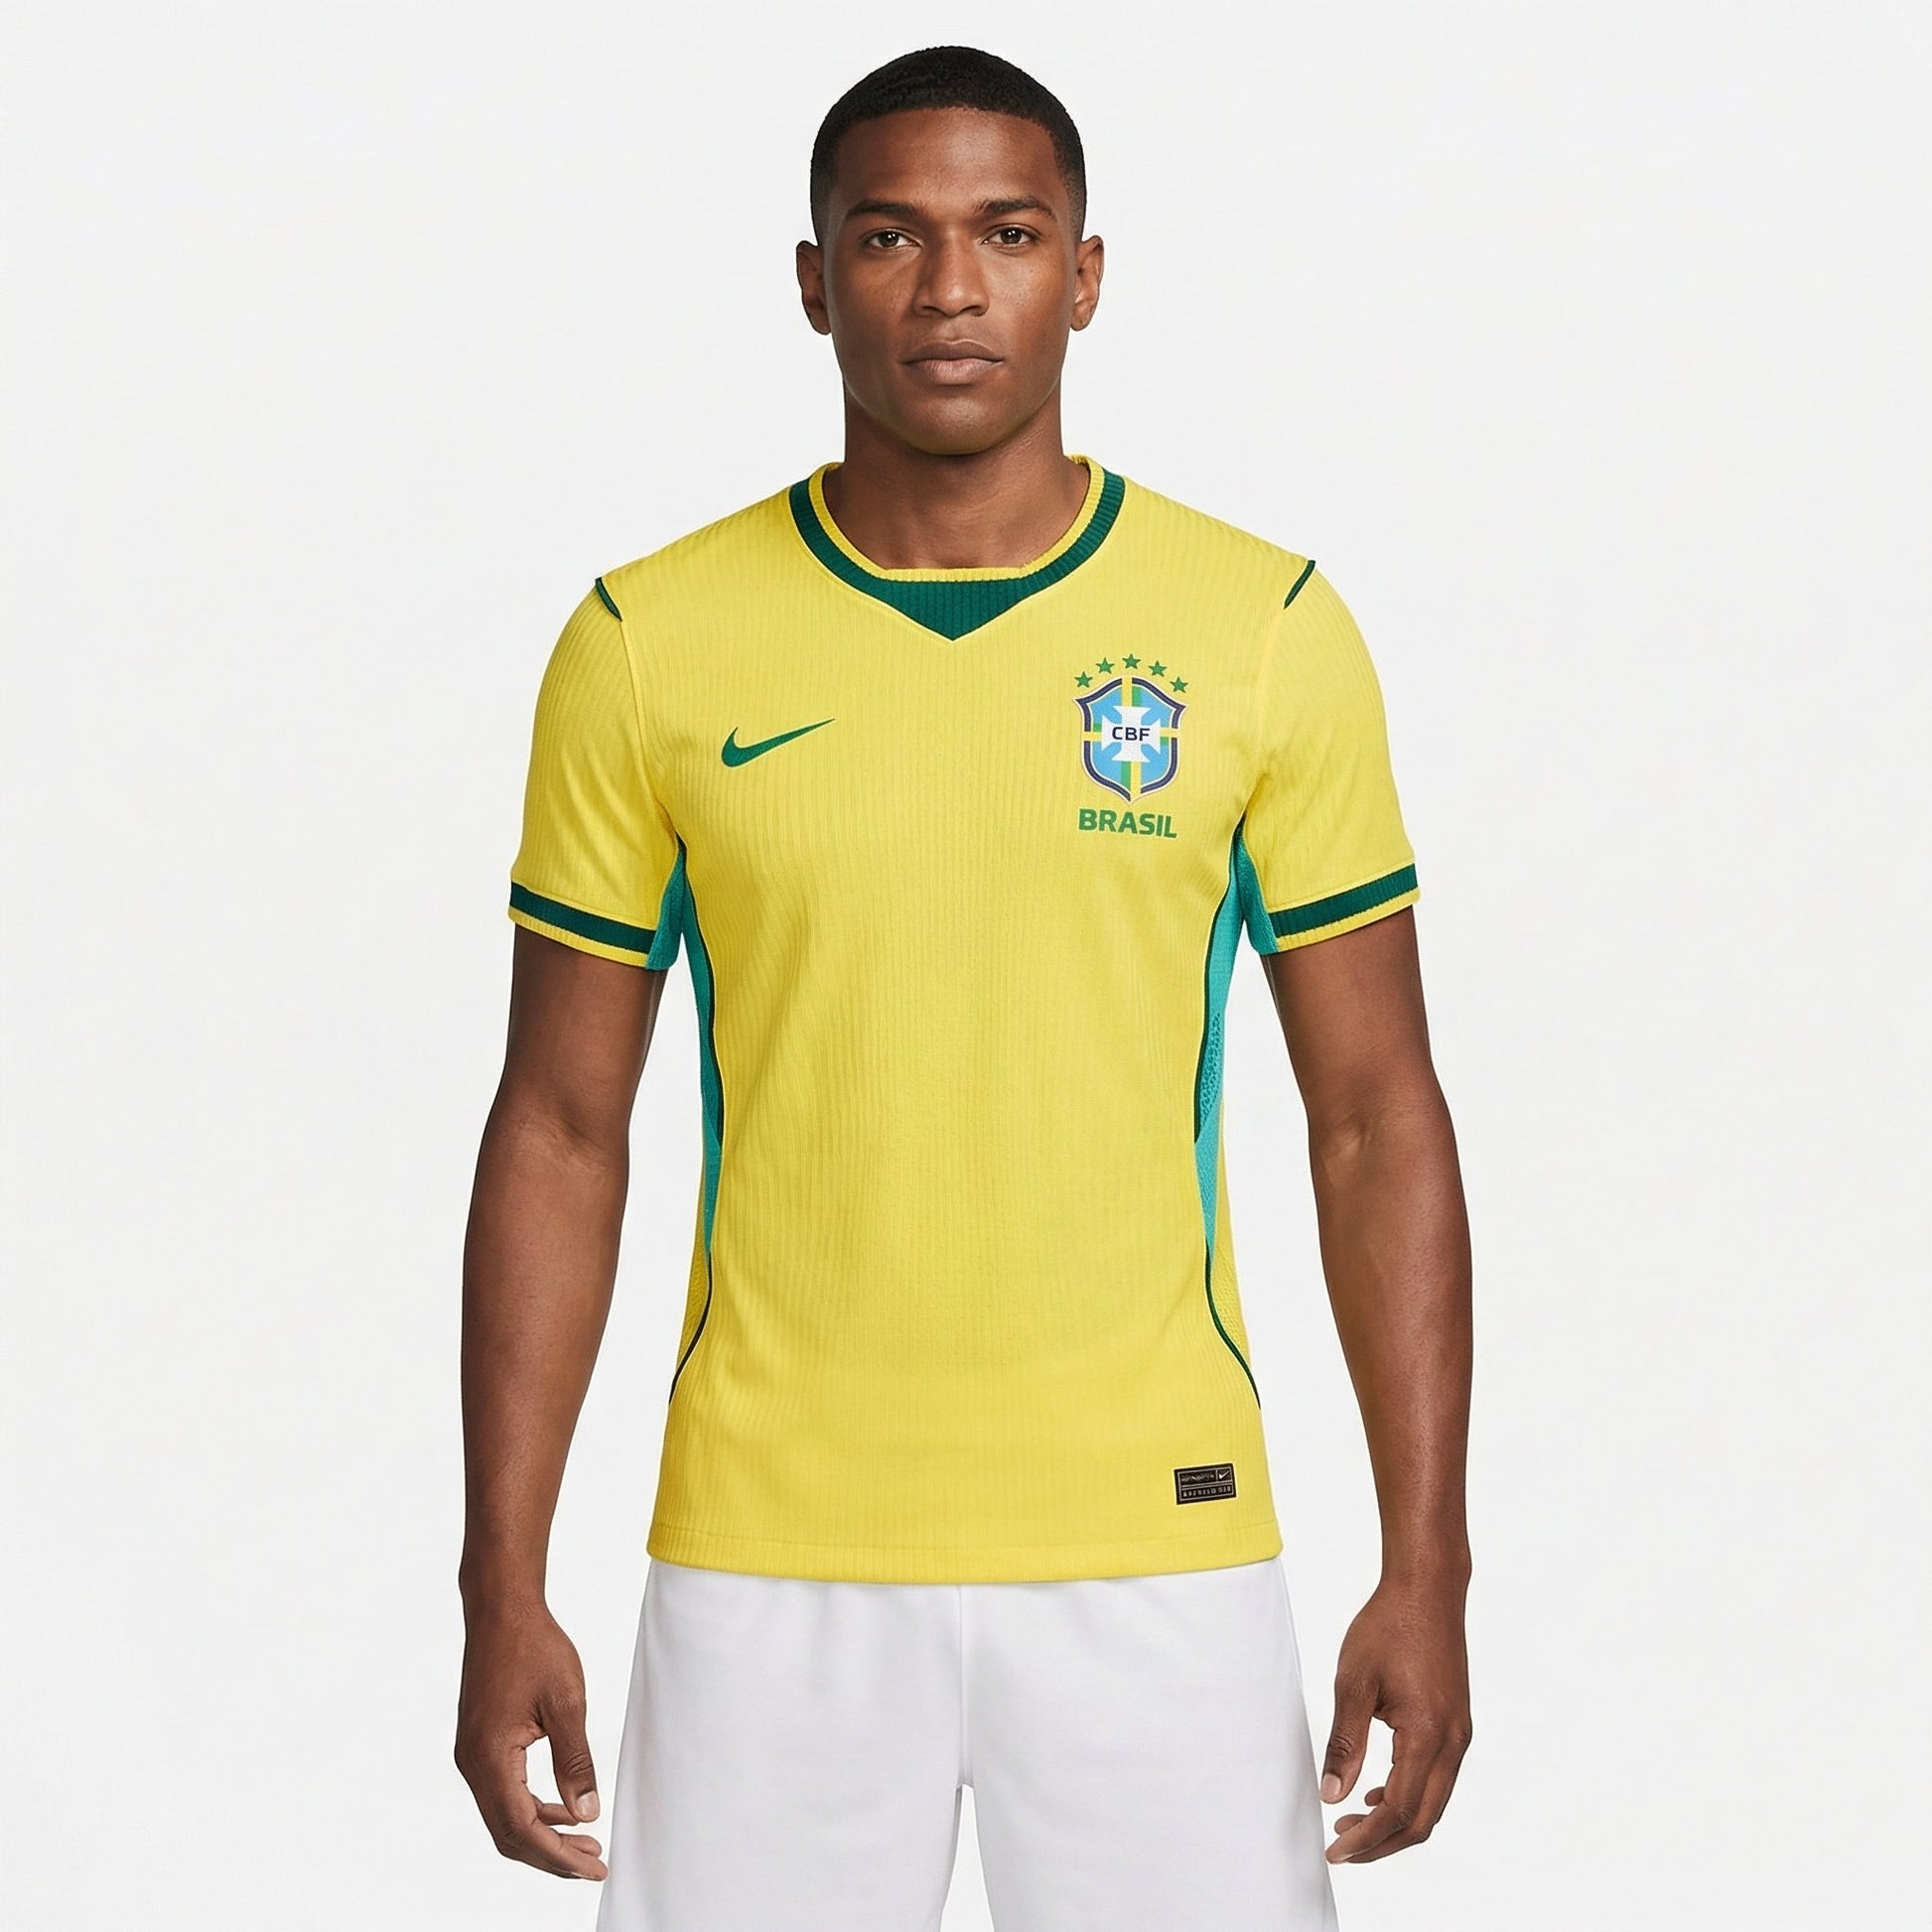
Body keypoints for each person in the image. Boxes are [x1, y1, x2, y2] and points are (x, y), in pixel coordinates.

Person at [455, 43, 1473, 1932]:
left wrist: (1431, 1562)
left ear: (1082, 275)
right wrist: (497, 1577)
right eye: (888, 237)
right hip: (768, 1551)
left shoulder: (1259, 632)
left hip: (1158, 1541)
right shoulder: (646, 642)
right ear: (811, 279)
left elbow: (1372, 1115)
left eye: (1004, 235)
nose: (946, 289)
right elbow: (561, 1124)